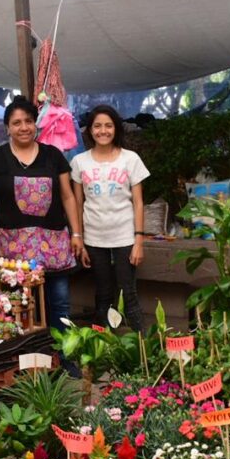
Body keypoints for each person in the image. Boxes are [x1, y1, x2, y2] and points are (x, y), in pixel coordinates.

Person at [0, 96, 83, 331]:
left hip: (54, 244)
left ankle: (63, 357)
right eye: (16, 122)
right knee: (20, 305)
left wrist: (77, 235)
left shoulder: (53, 155)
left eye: (28, 121)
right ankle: (28, 360)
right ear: (7, 128)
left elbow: (68, 197)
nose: (23, 127)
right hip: (14, 249)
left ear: (36, 124)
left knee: (60, 302)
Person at [71, 105, 149, 331]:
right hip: (94, 239)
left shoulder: (130, 159)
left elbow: (138, 202)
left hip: (125, 237)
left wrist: (139, 241)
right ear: (90, 130)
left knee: (128, 294)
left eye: (108, 125)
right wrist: (81, 240)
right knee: (103, 294)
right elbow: (77, 203)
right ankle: (103, 350)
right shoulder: (79, 162)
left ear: (116, 128)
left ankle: (144, 353)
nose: (102, 131)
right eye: (97, 126)